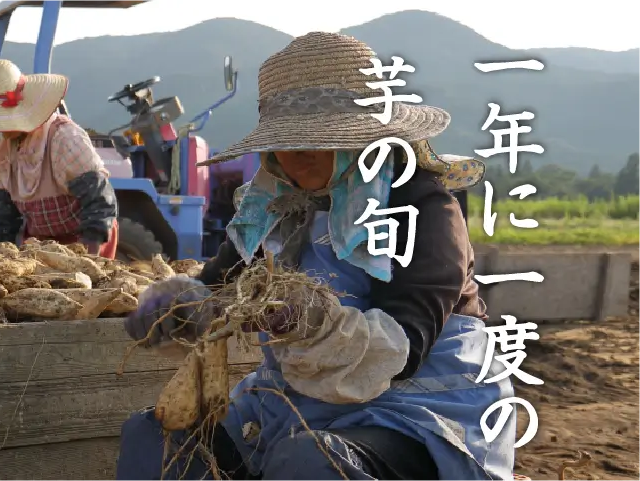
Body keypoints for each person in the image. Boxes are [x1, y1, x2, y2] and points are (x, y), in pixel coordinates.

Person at [115, 32, 503, 481]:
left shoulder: (422, 207)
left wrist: (313, 321)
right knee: (155, 440)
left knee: (313, 462)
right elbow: (219, 285)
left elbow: (407, 347)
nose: (297, 159)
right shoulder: (273, 206)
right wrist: (178, 309)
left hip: (415, 405)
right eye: (286, 143)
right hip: (295, 398)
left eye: (317, 140)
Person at [0, 59, 119, 258]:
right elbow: (3, 215)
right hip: (40, 244)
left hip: (84, 239)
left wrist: (91, 254)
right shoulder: (4, 151)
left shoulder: (63, 139)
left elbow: (99, 200)